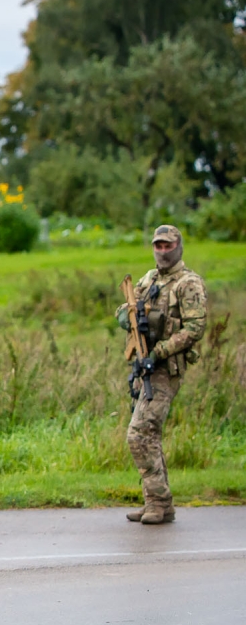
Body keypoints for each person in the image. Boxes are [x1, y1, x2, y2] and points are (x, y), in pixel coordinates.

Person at [116, 224, 207, 525]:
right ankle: (158, 503)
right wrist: (123, 316)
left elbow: (195, 328)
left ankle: (158, 501)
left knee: (139, 433)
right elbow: (127, 307)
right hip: (146, 365)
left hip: (167, 368)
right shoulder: (148, 279)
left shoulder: (188, 283)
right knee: (148, 434)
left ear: (179, 247)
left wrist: (160, 352)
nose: (163, 251)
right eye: (159, 246)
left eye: (168, 246)